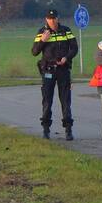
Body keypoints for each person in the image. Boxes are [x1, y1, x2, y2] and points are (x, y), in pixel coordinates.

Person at [31, 8, 78, 140]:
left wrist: (66, 58)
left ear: (58, 18)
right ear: (46, 19)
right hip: (48, 70)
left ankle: (68, 130)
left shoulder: (66, 30)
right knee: (47, 100)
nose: (52, 21)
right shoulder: (42, 32)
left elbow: (74, 48)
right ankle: (46, 130)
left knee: (65, 100)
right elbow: (34, 52)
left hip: (63, 70)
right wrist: (43, 41)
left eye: (54, 18)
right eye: (49, 18)